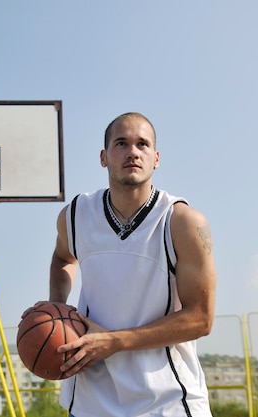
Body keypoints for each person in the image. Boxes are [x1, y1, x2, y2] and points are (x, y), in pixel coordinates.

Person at [41, 112, 217, 416]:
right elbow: (62, 258)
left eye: (142, 144)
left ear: (156, 158)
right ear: (104, 157)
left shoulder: (182, 222)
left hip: (166, 400)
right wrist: (56, 310)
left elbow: (200, 319)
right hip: (90, 400)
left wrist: (114, 341)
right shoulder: (76, 215)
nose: (133, 152)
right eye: (121, 143)